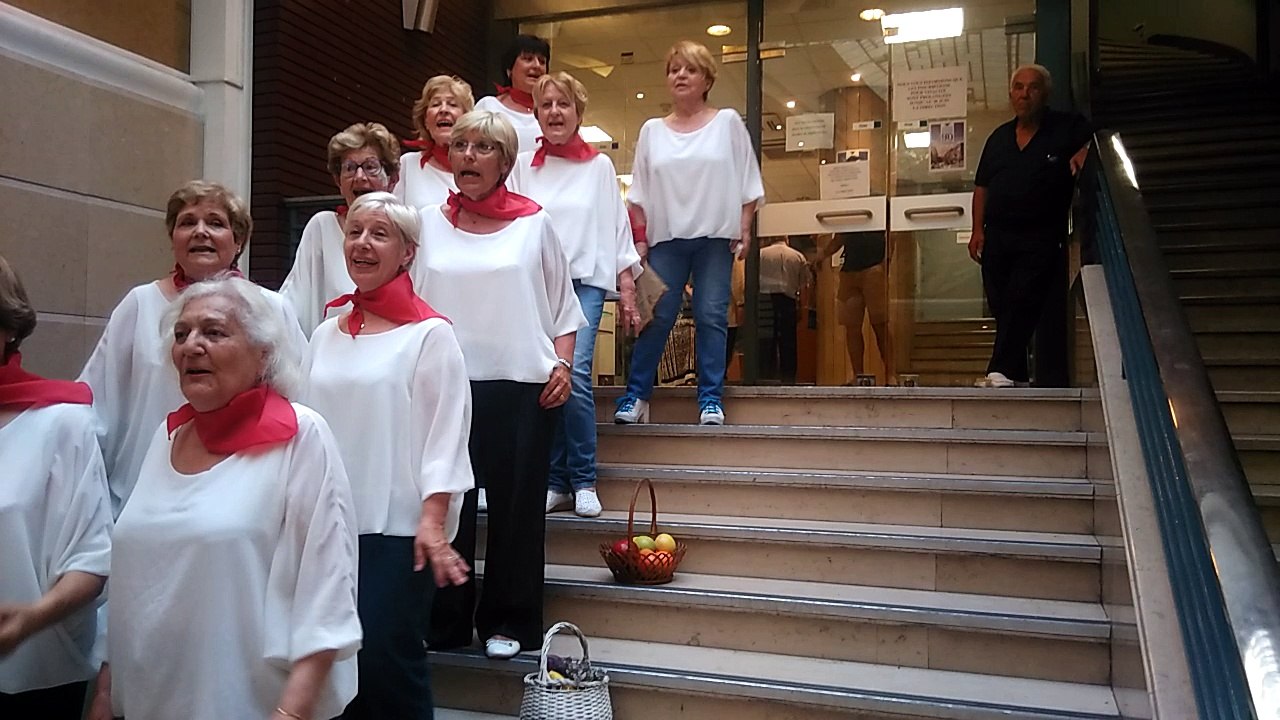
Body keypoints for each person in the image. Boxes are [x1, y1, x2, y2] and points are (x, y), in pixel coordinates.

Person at [89, 277, 360, 720]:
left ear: (264, 354)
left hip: (248, 704)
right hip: (146, 701)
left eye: (213, 332)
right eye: (182, 334)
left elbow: (327, 590)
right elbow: (131, 585)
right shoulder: (168, 435)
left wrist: (291, 713)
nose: (191, 346)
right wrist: (104, 692)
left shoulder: (301, 436)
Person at [416, 110, 585, 660]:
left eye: (482, 147)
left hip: (522, 388)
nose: (467, 154)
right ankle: (444, 620)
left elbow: (564, 307)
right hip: (446, 387)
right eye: (460, 144)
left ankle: (509, 619)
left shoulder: (535, 223)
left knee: (516, 513)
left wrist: (563, 366)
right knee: (452, 507)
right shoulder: (426, 224)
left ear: (505, 162)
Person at [302, 192, 472, 718]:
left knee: (384, 662)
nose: (363, 244)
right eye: (355, 232)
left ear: (407, 253)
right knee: (327, 660)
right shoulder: (326, 332)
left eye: (380, 234)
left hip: (396, 529)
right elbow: (304, 423)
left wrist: (433, 520)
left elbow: (447, 432)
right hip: (325, 524)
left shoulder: (431, 334)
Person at [79, 180, 305, 516]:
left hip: (242, 501)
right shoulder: (139, 305)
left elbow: (296, 399)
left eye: (215, 223)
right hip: (142, 496)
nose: (201, 232)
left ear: (238, 240)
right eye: (187, 222)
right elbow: (95, 404)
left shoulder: (272, 309)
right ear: (173, 239)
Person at [509, 71, 642, 519]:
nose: (554, 112)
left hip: (582, 283)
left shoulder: (599, 166)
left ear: (579, 112)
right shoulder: (523, 166)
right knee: (546, 379)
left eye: (563, 104)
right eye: (546, 105)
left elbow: (617, 228)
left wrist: (627, 287)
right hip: (536, 286)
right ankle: (556, 480)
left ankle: (584, 478)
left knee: (576, 374)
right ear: (536, 113)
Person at [614, 40, 764, 426]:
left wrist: (745, 226)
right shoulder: (651, 130)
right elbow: (640, 193)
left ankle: (710, 399)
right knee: (658, 316)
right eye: (673, 69)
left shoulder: (728, 122)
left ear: (707, 79)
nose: (680, 75)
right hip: (666, 240)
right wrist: (640, 239)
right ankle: (636, 396)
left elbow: (748, 178)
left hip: (716, 237)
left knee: (711, 315)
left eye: (690, 69)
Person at [0, 255, 112, 719]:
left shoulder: (61, 423)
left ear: (8, 327)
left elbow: (93, 559)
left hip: (30, 676)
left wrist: (32, 618)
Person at [969, 64, 1090, 388]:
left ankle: (999, 369)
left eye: (1032, 87)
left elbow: (1097, 138)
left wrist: (1084, 151)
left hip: (1041, 235)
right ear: (1011, 95)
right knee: (1000, 301)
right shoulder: (998, 138)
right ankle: (1016, 373)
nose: (1025, 94)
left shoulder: (1065, 128)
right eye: (1019, 87)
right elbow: (982, 187)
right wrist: (977, 230)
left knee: (1022, 298)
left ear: (1044, 93)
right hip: (998, 237)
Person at [280, 122, 402, 335]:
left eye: (370, 166)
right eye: (350, 168)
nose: (360, 177)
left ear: (392, 179)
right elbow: (293, 304)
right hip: (335, 351)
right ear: (338, 181)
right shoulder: (322, 227)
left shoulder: (407, 232)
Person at [814, 231, 890, 383]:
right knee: (852, 327)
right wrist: (823, 255)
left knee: (880, 325)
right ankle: (858, 375)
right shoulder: (851, 215)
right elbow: (840, 238)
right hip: (850, 270)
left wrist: (885, 263)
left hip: (873, 267)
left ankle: (890, 373)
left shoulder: (876, 212)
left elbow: (891, 235)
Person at [395, 75, 476, 210]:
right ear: (426, 121)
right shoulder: (408, 164)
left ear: (467, 119)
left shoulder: (479, 168)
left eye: (452, 104)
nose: (443, 110)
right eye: (436, 104)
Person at [475, 34, 550, 155]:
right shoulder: (488, 106)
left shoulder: (555, 111)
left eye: (542, 61)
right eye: (528, 59)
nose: (537, 65)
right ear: (509, 69)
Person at [757, 236, 810, 383]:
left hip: (764, 300)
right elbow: (804, 286)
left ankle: (765, 375)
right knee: (788, 341)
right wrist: (803, 309)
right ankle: (788, 377)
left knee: (765, 339)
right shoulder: (798, 256)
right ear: (787, 238)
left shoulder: (760, 254)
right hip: (788, 300)